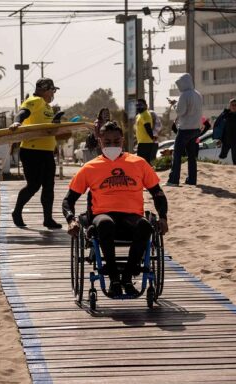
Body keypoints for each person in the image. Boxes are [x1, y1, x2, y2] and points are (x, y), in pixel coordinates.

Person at [62, 121, 168, 297]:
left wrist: (163, 217)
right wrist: (71, 220)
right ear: (99, 141)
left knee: (144, 226)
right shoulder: (90, 168)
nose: (112, 145)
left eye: (116, 142)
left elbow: (158, 193)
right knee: (105, 223)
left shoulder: (138, 163)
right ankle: (113, 277)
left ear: (123, 141)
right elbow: (68, 200)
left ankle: (127, 276)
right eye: (107, 142)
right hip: (102, 216)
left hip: (131, 217)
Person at [9, 77, 62, 229]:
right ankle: (17, 211)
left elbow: (46, 128)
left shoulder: (47, 106)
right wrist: (17, 121)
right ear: (45, 89)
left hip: (46, 152)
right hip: (32, 151)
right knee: (33, 185)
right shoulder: (35, 100)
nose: (53, 93)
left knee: (48, 186)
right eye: (52, 90)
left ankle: (48, 219)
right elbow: (23, 112)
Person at [166, 73, 202, 186]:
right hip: (196, 128)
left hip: (185, 129)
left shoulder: (184, 95)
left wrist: (175, 104)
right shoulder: (198, 94)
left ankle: (173, 180)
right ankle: (192, 180)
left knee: (177, 154)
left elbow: (180, 111)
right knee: (192, 156)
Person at [213, 98, 236, 165]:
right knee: (222, 156)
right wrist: (218, 138)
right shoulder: (225, 114)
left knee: (235, 159)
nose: (234, 106)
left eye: (235, 105)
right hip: (226, 139)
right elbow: (218, 125)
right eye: (232, 105)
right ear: (229, 105)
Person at [135, 99, 155, 165]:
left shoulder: (145, 114)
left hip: (146, 143)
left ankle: (148, 175)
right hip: (141, 142)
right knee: (142, 162)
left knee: (143, 163)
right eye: (137, 105)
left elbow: (148, 127)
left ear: (146, 106)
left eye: (140, 105)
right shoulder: (139, 115)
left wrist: (152, 138)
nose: (138, 107)